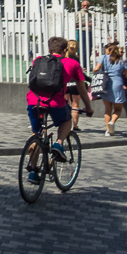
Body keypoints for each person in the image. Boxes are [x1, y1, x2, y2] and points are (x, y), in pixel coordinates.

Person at [25, 36, 92, 181]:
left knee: (36, 134)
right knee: (66, 120)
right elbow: (81, 88)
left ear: (49, 49)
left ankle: (33, 170)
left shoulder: (38, 60)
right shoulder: (72, 63)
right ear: (65, 50)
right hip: (56, 102)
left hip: (34, 101)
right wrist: (88, 107)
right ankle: (59, 143)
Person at [94, 43, 127, 137]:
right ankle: (112, 121)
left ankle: (107, 130)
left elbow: (96, 69)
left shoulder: (104, 57)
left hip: (106, 83)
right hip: (118, 83)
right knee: (118, 109)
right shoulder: (122, 61)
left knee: (107, 109)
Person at [65, 39, 92, 132]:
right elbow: (79, 73)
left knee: (66, 104)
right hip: (75, 84)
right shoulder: (76, 58)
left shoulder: (63, 57)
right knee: (75, 105)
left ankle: (66, 124)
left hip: (65, 83)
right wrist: (89, 79)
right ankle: (75, 126)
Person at [75, 0, 93, 66]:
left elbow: (93, 23)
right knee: (82, 49)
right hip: (81, 31)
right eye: (84, 5)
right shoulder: (78, 13)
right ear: (82, 6)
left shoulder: (90, 14)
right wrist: (87, 24)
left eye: (87, 5)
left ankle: (87, 64)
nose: (86, 7)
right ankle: (82, 64)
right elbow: (76, 24)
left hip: (89, 32)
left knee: (89, 48)